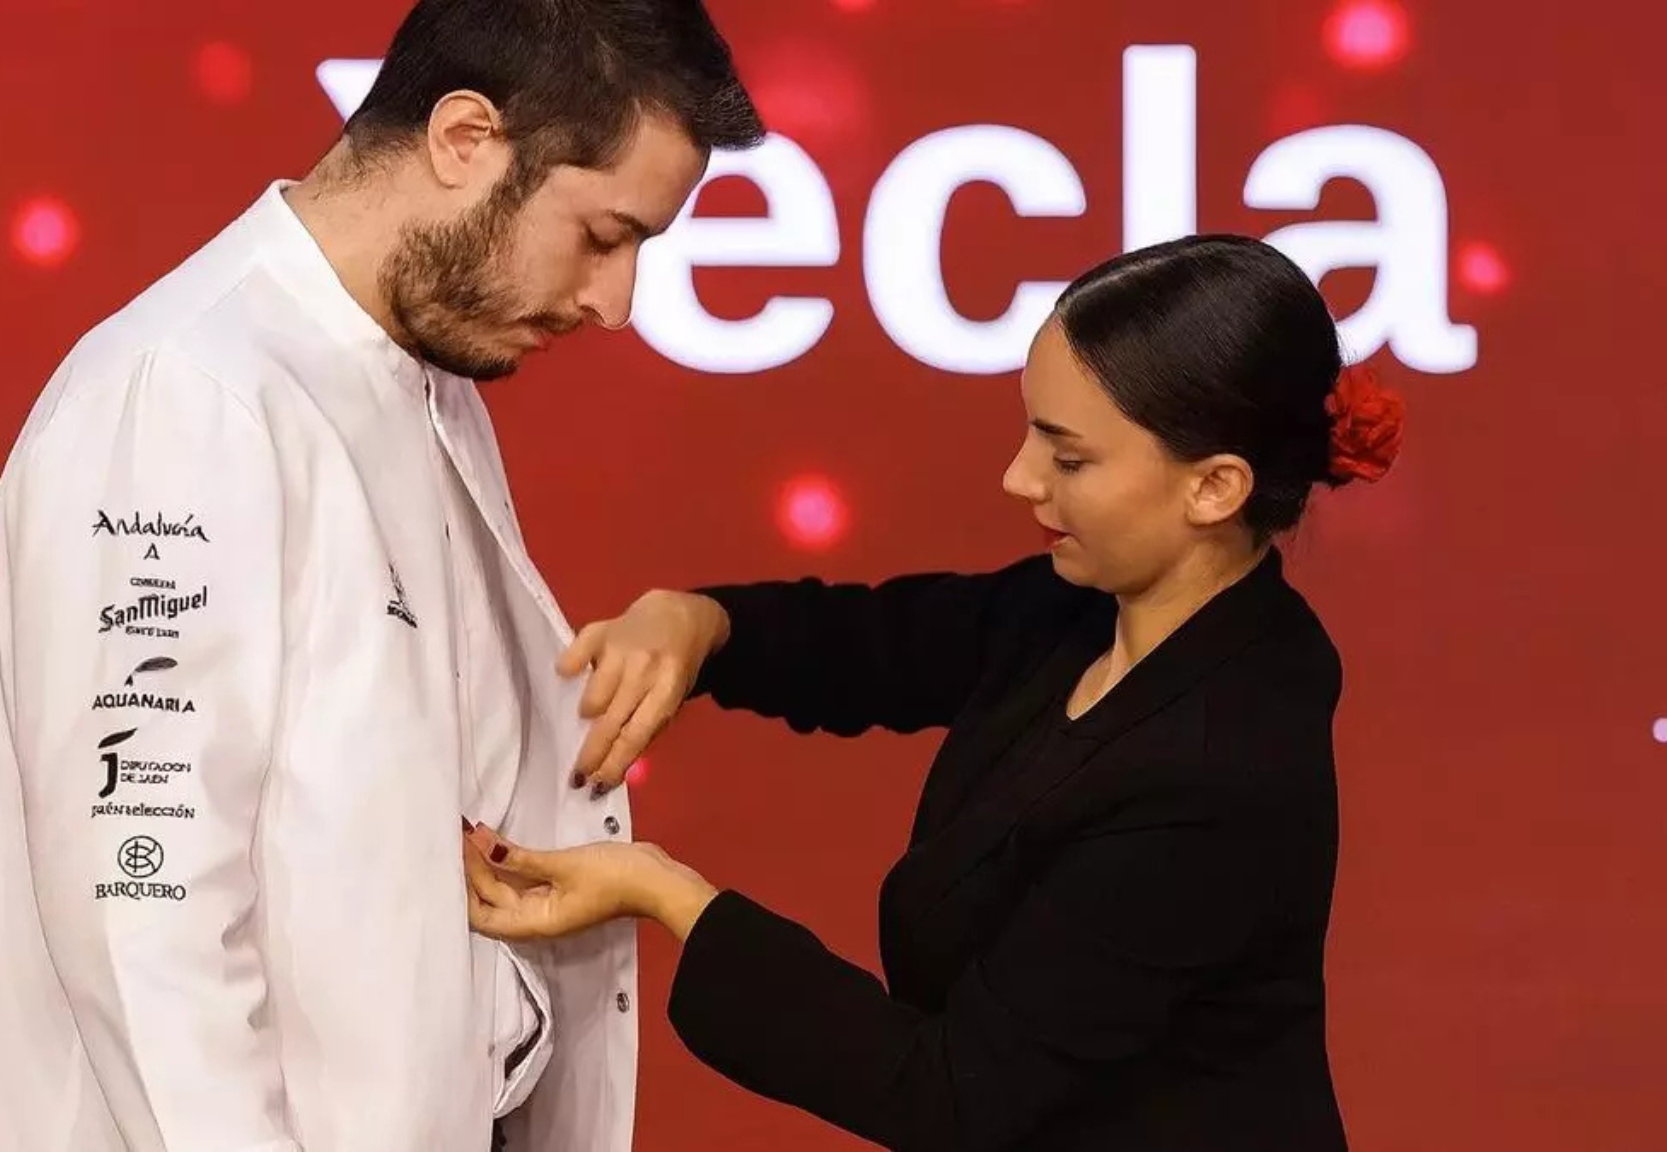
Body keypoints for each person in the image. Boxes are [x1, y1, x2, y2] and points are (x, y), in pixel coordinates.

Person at [0, 3, 763, 1150]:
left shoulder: (415, 375)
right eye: (603, 236)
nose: (614, 305)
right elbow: (143, 911)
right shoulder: (187, 395)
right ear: (465, 138)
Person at [461, 234, 1405, 1150]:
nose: (1019, 478)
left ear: (1215, 488)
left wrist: (666, 894)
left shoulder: (1216, 774)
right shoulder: (1087, 611)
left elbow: (952, 1097)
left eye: (1069, 459)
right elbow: (881, 645)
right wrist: (702, 624)